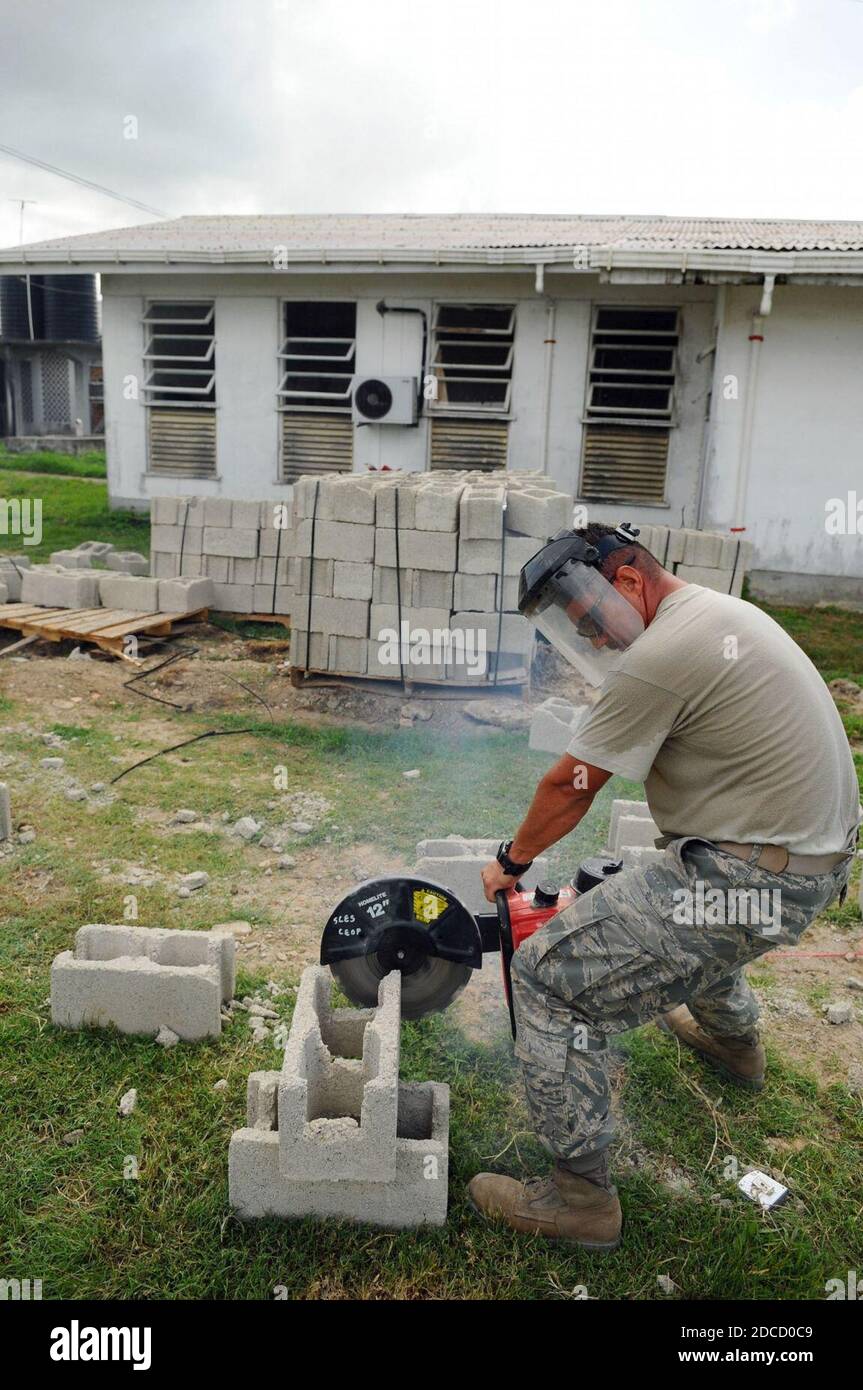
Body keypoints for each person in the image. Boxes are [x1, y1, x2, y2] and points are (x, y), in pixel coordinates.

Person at [469, 523, 860, 1251]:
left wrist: (511, 863)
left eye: (590, 622)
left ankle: (580, 1202)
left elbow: (572, 783)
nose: (597, 640)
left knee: (547, 978)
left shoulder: (663, 652)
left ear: (626, 583)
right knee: (675, 900)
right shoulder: (712, 615)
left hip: (750, 877)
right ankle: (734, 1046)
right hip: (802, 865)